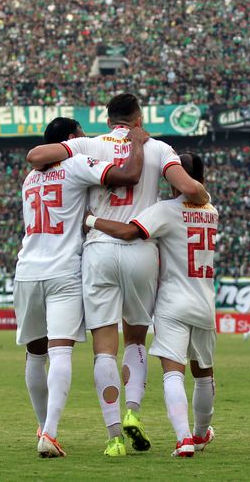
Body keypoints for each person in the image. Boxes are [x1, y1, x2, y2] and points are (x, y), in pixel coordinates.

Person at [26, 94, 210, 456]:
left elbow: (37, 157)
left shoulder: (86, 144)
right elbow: (190, 190)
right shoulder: (158, 147)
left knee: (103, 348)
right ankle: (133, 412)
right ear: (138, 118)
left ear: (108, 119)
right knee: (136, 340)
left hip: (98, 249)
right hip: (141, 249)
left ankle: (113, 439)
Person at [14, 117, 148, 458]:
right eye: (82, 136)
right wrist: (135, 143)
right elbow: (127, 176)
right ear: (71, 140)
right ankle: (51, 432)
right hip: (63, 270)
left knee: (35, 353)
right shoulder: (77, 163)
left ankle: (41, 426)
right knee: (61, 351)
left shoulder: (30, 179)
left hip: (27, 270)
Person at [84, 152, 218, 458]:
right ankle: (200, 434)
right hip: (205, 301)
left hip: (173, 302)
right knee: (204, 374)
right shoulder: (212, 211)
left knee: (173, 373)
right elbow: (199, 197)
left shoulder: (166, 210)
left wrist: (90, 220)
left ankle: (183, 439)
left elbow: (130, 231)